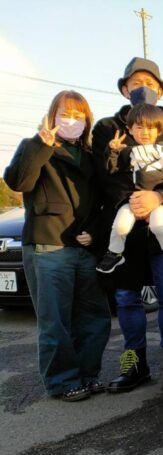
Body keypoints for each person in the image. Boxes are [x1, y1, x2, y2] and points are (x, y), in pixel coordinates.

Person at [92, 57, 163, 392]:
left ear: (161, 90)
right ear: (125, 89)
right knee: (125, 297)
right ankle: (134, 360)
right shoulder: (108, 128)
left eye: (150, 84)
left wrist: (159, 196)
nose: (143, 89)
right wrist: (135, 199)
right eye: (136, 83)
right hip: (126, 224)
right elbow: (105, 173)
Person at [3, 91, 111, 402]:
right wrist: (40, 144)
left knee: (95, 316)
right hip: (48, 244)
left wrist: (95, 232)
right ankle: (63, 382)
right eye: (65, 113)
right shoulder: (34, 147)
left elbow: (103, 202)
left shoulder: (91, 155)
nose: (72, 120)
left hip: (85, 247)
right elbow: (18, 182)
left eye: (79, 115)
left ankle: (88, 376)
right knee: (55, 320)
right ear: (52, 116)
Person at [96, 103, 163, 274]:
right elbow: (111, 169)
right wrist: (112, 151)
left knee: (158, 226)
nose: (145, 132)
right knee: (120, 227)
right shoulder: (128, 152)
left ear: (158, 130)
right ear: (130, 129)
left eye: (150, 128)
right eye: (139, 127)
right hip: (133, 199)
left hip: (159, 201)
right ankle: (114, 254)